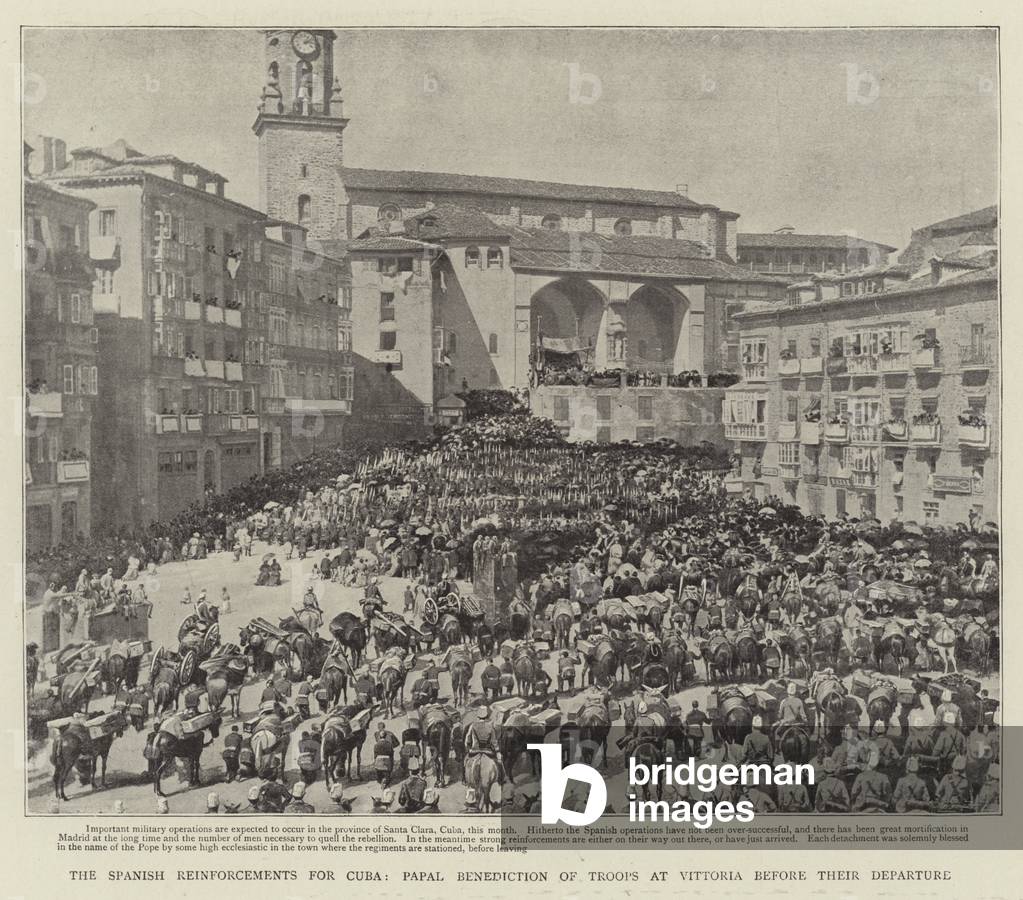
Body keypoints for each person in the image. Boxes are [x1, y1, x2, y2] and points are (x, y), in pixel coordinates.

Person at [373, 721, 399, 788]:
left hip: (379, 755)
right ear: (384, 727)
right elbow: (397, 743)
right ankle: (388, 776)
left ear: (378, 727)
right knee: (391, 759)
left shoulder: (376, 734)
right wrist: (391, 746)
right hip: (388, 753)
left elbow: (375, 754)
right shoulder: (390, 733)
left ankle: (381, 778)